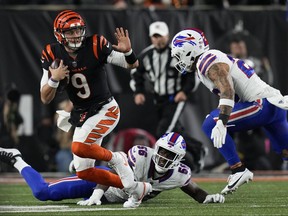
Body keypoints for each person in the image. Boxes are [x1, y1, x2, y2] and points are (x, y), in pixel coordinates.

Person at [39, 9, 150, 199]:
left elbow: (131, 64)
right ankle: (136, 188)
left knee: (78, 147)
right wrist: (54, 80)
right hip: (83, 114)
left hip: (105, 109)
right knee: (83, 171)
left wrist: (129, 52)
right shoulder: (52, 53)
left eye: (78, 30)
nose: (76, 35)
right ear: (59, 34)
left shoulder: (95, 44)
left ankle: (117, 158)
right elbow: (45, 97)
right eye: (70, 32)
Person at [170, 28, 288, 195]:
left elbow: (228, 90)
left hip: (260, 104)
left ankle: (238, 170)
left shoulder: (206, 60)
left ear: (189, 50)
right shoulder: (210, 58)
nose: (178, 60)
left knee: (211, 123)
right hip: (274, 105)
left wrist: (222, 121)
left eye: (179, 54)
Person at [0, 133, 225, 206]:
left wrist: (209, 198)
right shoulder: (141, 154)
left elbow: (194, 191)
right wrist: (97, 194)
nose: (164, 157)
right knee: (43, 193)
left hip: (116, 197)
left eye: (170, 155)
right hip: (100, 184)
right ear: (156, 149)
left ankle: (82, 161)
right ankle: (17, 158)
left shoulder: (180, 174)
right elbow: (114, 173)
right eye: (163, 151)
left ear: (178, 159)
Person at [130, 21, 206, 173]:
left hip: (175, 98)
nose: (159, 40)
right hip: (158, 99)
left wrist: (185, 91)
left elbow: (192, 73)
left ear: (167, 36)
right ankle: (197, 148)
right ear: (151, 38)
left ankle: (161, 167)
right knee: (174, 131)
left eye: (161, 36)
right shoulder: (146, 55)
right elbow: (135, 74)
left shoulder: (177, 52)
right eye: (155, 37)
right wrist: (138, 91)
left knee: (164, 131)